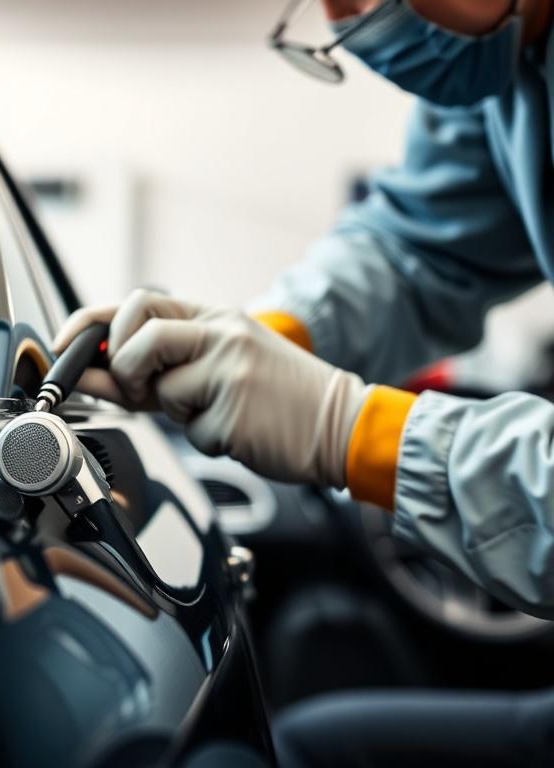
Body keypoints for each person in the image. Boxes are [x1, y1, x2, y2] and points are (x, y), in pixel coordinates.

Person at [54, 1, 554, 765]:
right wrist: (262, 336)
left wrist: (353, 432)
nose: (343, 14)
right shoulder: (508, 70)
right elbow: (421, 249)